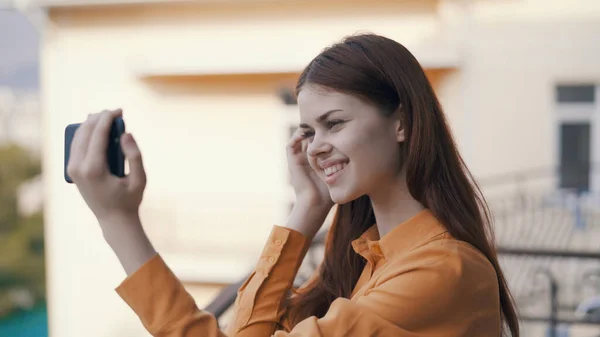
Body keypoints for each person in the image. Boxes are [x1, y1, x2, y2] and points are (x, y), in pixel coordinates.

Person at [68, 33, 520, 337]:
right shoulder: (368, 260)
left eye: (334, 123)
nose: (316, 147)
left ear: (401, 123)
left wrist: (118, 221)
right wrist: (305, 208)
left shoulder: (441, 271)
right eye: (308, 132)